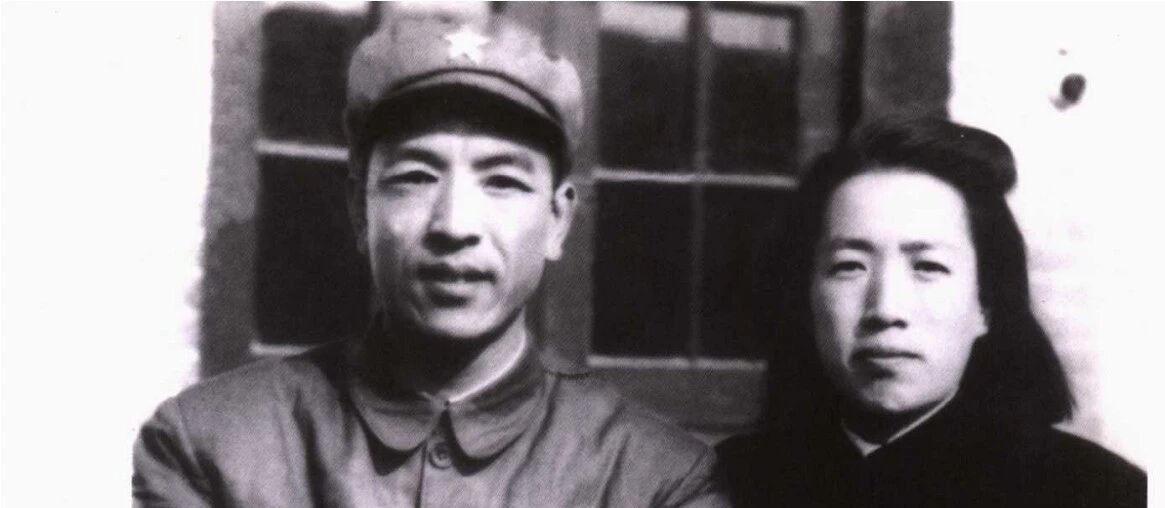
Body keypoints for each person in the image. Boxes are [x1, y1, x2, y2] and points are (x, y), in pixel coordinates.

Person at [134, 15, 725, 507]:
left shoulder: (656, 481)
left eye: (502, 181)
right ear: (360, 210)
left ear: (557, 220)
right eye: (416, 176)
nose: (454, 226)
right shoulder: (210, 446)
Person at [718, 117, 1145, 507]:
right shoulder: (722, 486)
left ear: (986, 304)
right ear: (806, 296)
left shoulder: (1099, 493)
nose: (886, 309)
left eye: (928, 266)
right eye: (850, 266)